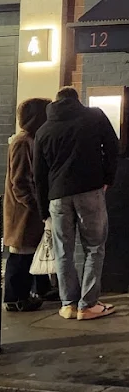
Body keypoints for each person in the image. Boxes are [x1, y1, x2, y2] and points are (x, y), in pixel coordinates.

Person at [34, 87, 119, 321]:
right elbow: (112, 147)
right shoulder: (94, 116)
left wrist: (44, 211)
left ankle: (68, 304)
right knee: (94, 247)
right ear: (76, 99)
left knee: (64, 251)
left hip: (56, 196)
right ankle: (88, 305)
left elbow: (38, 176)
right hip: (89, 190)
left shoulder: (43, 131)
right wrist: (107, 179)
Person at [3, 98, 53, 312]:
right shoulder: (23, 142)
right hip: (23, 212)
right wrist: (36, 205)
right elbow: (20, 181)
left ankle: (40, 290)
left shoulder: (30, 139)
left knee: (32, 251)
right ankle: (15, 299)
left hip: (28, 210)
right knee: (20, 255)